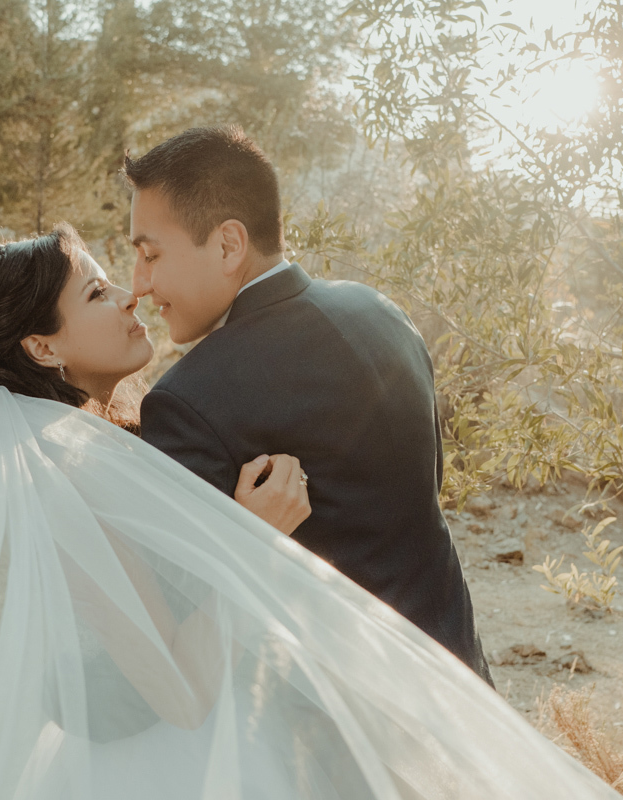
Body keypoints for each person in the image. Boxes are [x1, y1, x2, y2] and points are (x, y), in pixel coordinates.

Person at [0, 226, 620, 800]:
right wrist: (251, 544)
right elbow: (178, 689)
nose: (130, 293)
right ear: (43, 347)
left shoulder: (94, 446)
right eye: (98, 291)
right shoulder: (64, 481)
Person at [125, 125, 492, 683]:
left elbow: (182, 630)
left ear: (228, 245)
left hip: (338, 707)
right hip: (460, 674)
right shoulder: (380, 312)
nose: (139, 283)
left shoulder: (188, 401)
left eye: (151, 255)